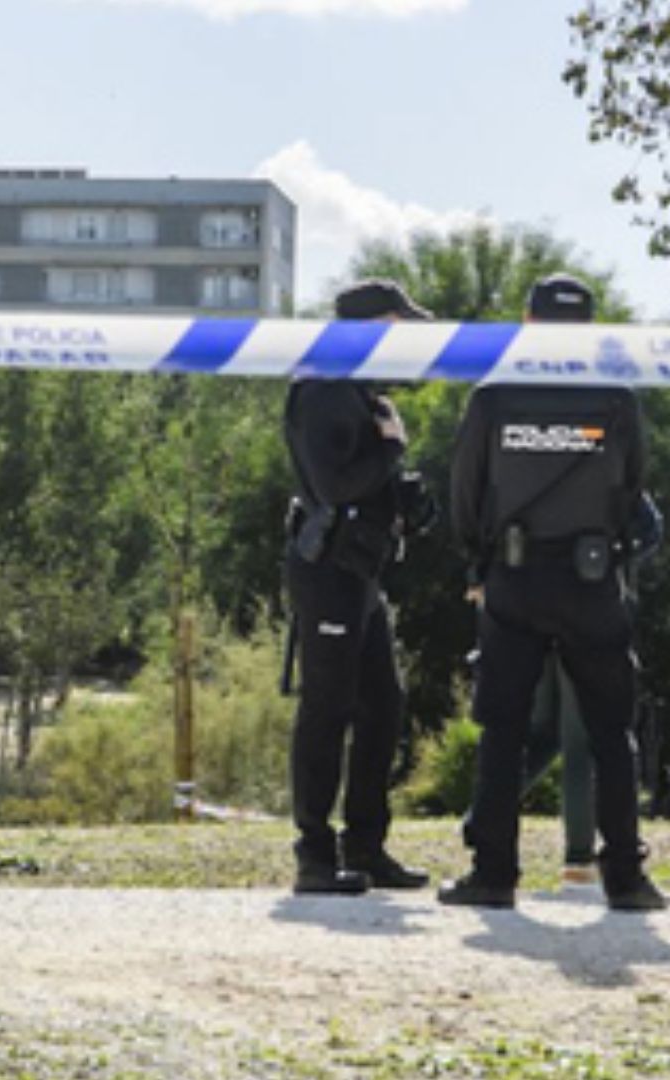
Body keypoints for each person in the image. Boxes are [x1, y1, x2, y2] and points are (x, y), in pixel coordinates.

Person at [439, 272, 664, 911]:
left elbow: (465, 494)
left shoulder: (493, 395)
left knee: (504, 731)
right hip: (592, 581)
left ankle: (492, 875)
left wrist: (479, 565)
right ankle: (626, 878)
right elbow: (633, 491)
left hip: (515, 577)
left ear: (528, 322)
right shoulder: (617, 397)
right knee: (610, 732)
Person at [282, 279, 434, 895]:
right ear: (372, 327)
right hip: (329, 570)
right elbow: (334, 485)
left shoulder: (355, 387)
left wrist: (402, 499)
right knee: (328, 708)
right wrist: (390, 450)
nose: (405, 339)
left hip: (361, 569)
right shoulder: (322, 387)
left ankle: (366, 847)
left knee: (383, 706)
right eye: (399, 325)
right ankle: (315, 857)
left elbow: (360, 482)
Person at [462, 491, 663, 887]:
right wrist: (615, 559)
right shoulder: (603, 479)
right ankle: (579, 853)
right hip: (588, 604)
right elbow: (649, 530)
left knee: (543, 732)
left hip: (521, 603)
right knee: (579, 739)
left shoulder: (525, 479)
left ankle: (483, 817)